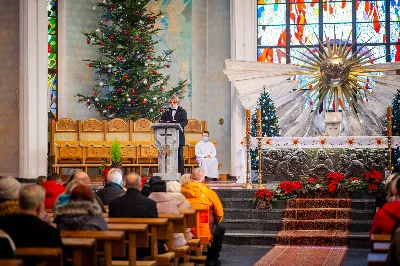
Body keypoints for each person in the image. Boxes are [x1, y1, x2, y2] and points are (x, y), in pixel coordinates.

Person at [109, 172, 166, 257]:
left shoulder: (114, 203)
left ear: (125, 185)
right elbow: (154, 227)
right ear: (140, 186)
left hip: (120, 246)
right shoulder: (150, 203)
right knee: (161, 247)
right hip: (144, 247)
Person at [181, 168, 225, 266]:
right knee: (220, 228)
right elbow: (219, 213)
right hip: (204, 230)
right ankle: (212, 259)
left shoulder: (181, 190)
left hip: (183, 229)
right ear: (203, 179)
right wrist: (216, 221)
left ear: (191, 177)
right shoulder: (209, 193)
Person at [148, 180, 187, 247]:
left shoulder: (147, 202)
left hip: (152, 238)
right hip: (171, 237)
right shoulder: (171, 202)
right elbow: (177, 220)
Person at [160, 95, 188, 175]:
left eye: (174, 102)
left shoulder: (182, 111)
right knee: (169, 155)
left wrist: (178, 125)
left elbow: (185, 121)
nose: (172, 104)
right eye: (171, 103)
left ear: (177, 102)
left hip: (179, 136)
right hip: (168, 137)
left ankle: (180, 174)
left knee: (179, 156)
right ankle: (169, 173)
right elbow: (161, 120)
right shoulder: (166, 112)